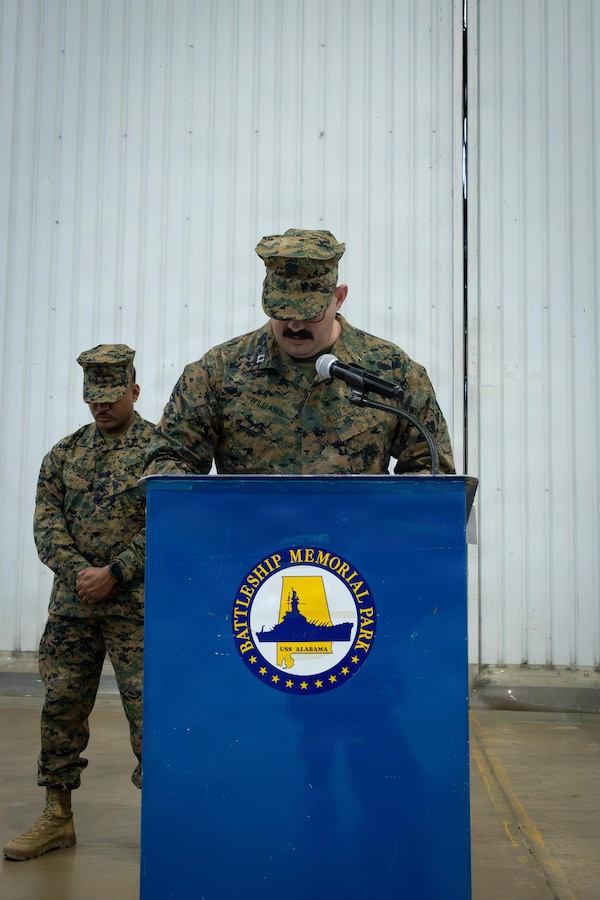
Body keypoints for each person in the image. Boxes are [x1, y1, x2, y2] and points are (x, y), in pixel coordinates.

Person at [3, 345, 155, 862]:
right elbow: (46, 525)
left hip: (139, 610)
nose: (101, 407)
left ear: (134, 390)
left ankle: (164, 821)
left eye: (111, 396)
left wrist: (117, 571)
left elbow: (172, 524)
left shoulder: (163, 454)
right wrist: (80, 576)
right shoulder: (64, 454)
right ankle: (57, 817)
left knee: (151, 713)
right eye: (92, 398)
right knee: (61, 708)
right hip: (73, 611)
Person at [144, 228, 455, 477]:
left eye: (310, 313)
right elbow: (168, 462)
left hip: (355, 552)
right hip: (251, 551)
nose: (294, 325)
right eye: (281, 311)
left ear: (339, 298)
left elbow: (431, 470)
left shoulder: (391, 371)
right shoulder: (217, 372)